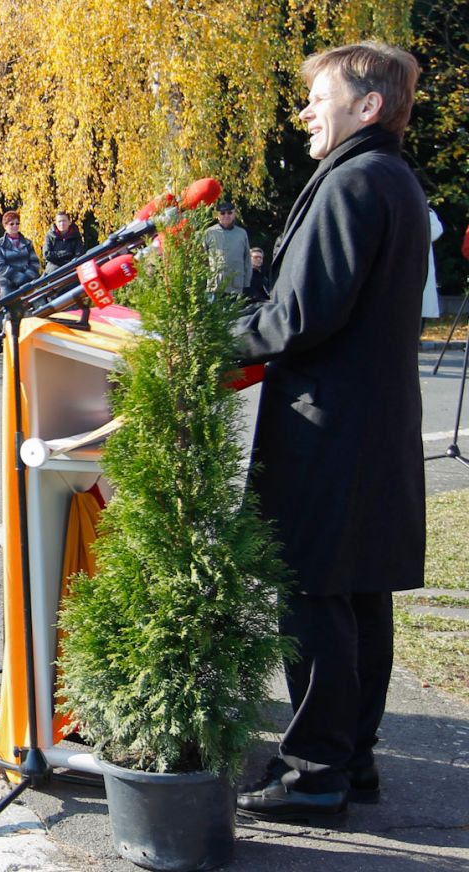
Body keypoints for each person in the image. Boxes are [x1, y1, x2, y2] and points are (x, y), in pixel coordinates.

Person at [232, 41, 428, 823]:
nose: (307, 110)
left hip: (329, 430)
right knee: (357, 595)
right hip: (365, 426)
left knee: (314, 596)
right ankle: (352, 758)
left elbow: (301, 315)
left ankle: (314, 772)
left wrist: (204, 342)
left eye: (320, 96)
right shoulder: (389, 178)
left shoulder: (355, 181)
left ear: (369, 106)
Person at [202, 200, 252, 297]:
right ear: (217, 215)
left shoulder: (242, 233)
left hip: (236, 285)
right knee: (214, 312)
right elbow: (202, 259)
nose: (226, 215)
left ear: (234, 214)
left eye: (229, 213)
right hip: (215, 284)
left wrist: (247, 283)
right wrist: (203, 281)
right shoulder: (209, 232)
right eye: (222, 213)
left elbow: (247, 259)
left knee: (236, 312)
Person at [0, 210, 41, 295]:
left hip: (29, 282)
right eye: (11, 224)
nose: (15, 226)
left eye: (17, 223)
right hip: (8, 285)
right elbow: (0, 267)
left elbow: (35, 262)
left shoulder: (27, 242)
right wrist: (19, 277)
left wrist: (28, 276)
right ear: (5, 226)